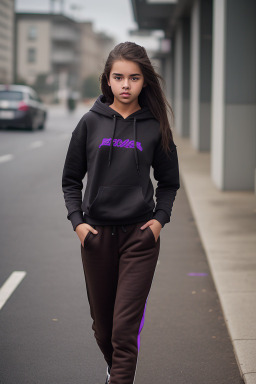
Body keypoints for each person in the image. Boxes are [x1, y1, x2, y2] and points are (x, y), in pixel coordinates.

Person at [62, 41, 180, 384]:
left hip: (139, 239)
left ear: (145, 82)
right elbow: (70, 180)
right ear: (108, 80)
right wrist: (79, 225)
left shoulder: (154, 126)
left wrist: (158, 222)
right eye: (119, 77)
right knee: (104, 329)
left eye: (134, 77)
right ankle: (116, 370)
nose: (126, 84)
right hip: (97, 238)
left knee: (125, 330)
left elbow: (169, 183)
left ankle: (120, 378)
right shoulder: (89, 123)